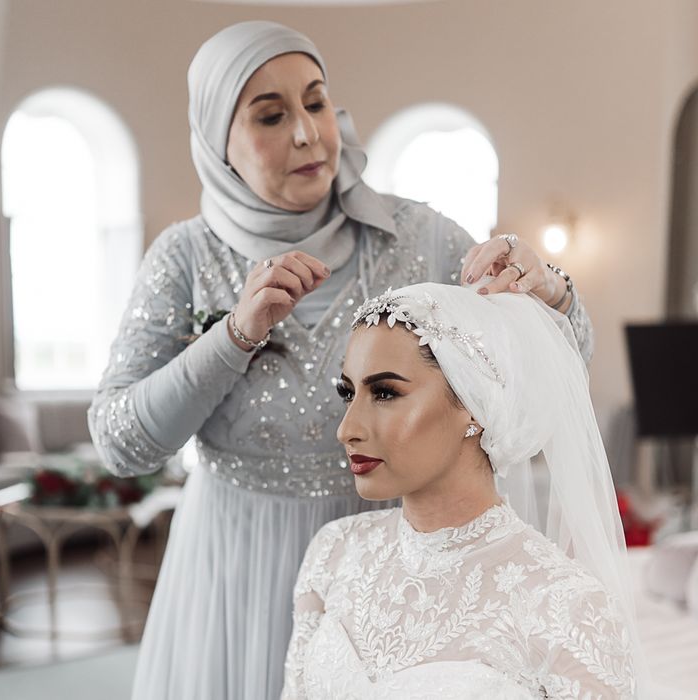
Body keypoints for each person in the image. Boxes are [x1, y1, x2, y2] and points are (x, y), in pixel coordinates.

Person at [88, 21, 594, 700]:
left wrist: (549, 290)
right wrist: (232, 336)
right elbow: (121, 443)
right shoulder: (185, 258)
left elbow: (558, 367)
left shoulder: (420, 236)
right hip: (234, 570)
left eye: (317, 103)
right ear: (218, 145)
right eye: (271, 115)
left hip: (394, 573)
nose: (307, 134)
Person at [281, 282, 647, 699]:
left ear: (475, 405)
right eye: (348, 393)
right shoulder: (335, 552)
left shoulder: (566, 606)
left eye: (385, 393)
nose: (347, 429)